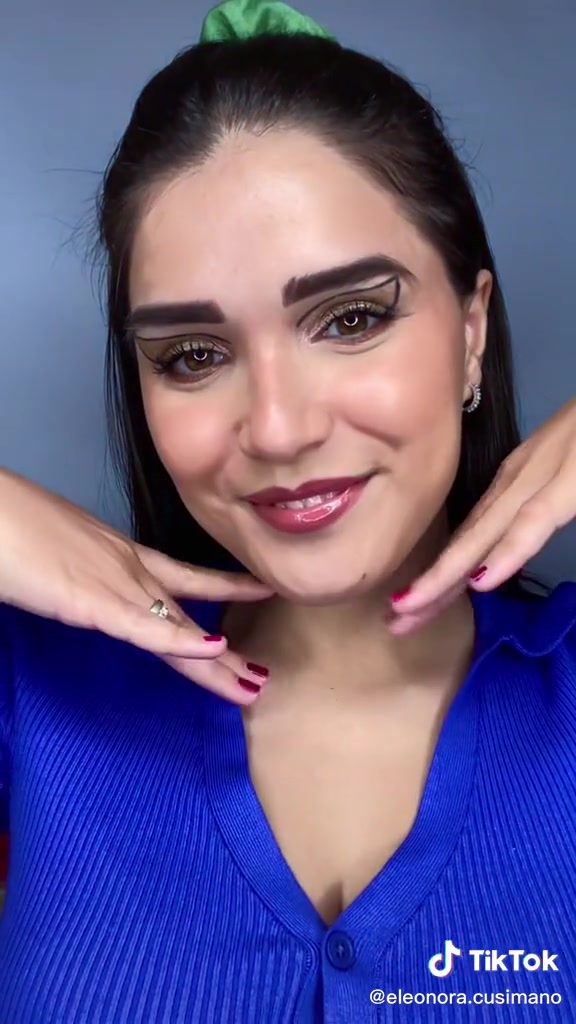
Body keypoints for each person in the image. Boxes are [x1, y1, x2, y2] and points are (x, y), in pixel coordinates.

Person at [0, 0, 575, 1019]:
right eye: (193, 355)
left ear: (472, 332)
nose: (277, 428)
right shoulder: (36, 688)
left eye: (350, 318)